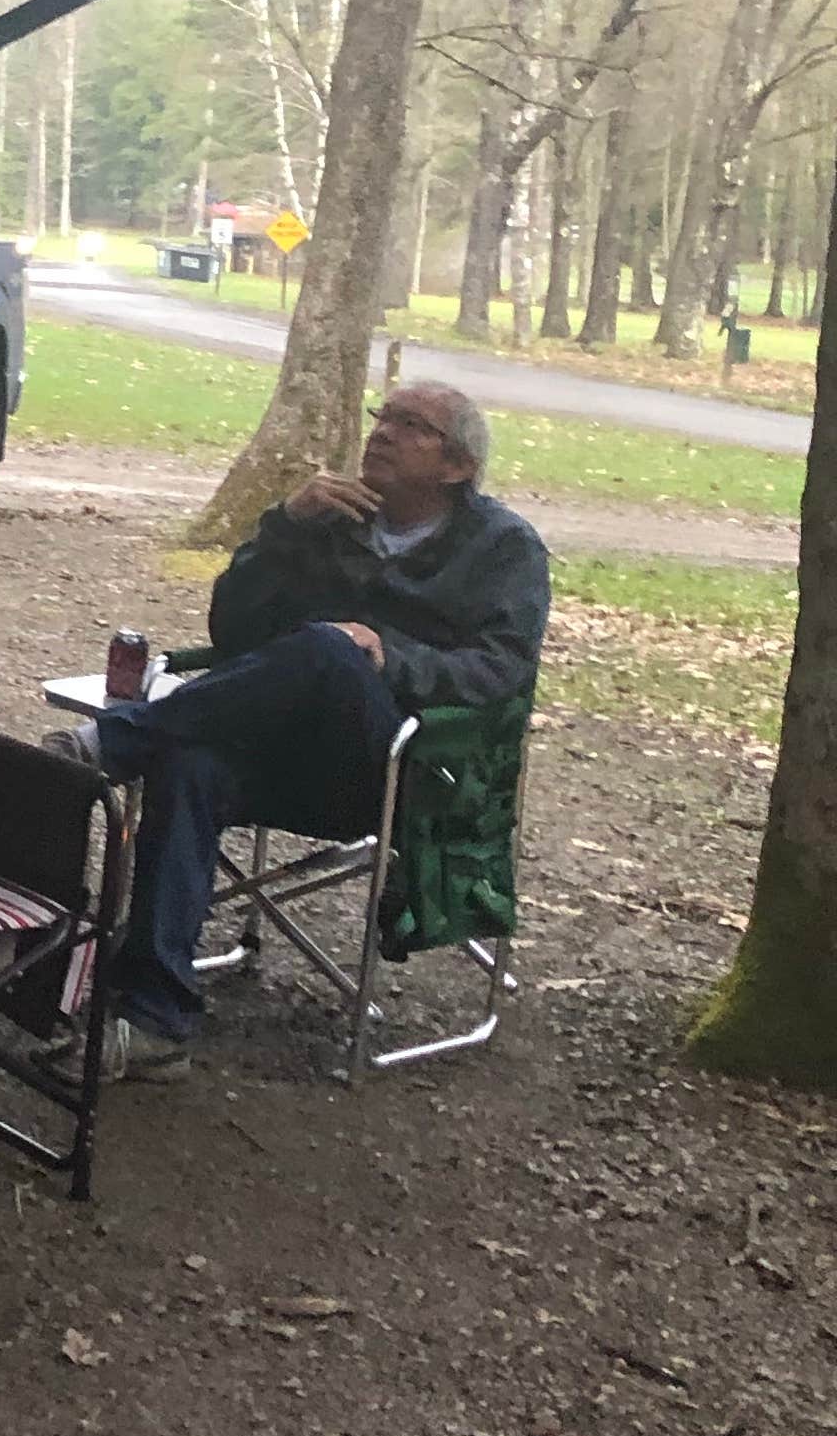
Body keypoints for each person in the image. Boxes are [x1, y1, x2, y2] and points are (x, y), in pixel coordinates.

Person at [82, 380, 549, 1072]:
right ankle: (156, 1019)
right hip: (283, 758)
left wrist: (393, 656)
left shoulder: (504, 549)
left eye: (410, 424)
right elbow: (235, 631)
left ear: (456, 467)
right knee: (190, 765)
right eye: (381, 416)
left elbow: (501, 671)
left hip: (397, 773)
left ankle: (112, 742)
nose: (382, 432)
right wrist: (283, 527)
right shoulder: (332, 519)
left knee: (332, 649)